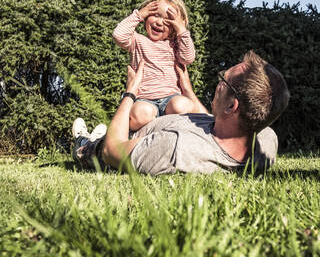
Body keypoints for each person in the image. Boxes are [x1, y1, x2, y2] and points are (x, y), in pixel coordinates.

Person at [72, 50, 290, 175]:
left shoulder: (176, 149)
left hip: (120, 143)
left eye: (223, 79)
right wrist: (187, 90)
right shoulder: (266, 139)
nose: (218, 82)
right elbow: (213, 122)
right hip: (166, 125)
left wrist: (130, 92)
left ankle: (84, 142)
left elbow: (113, 151)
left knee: (94, 146)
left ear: (232, 106)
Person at [113, 0, 197, 132]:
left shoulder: (175, 45)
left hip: (170, 99)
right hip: (144, 99)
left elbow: (188, 58)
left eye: (168, 20)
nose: (159, 22)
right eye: (156, 15)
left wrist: (182, 29)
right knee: (141, 113)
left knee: (183, 105)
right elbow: (119, 35)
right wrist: (140, 14)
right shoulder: (137, 40)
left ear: (174, 27)